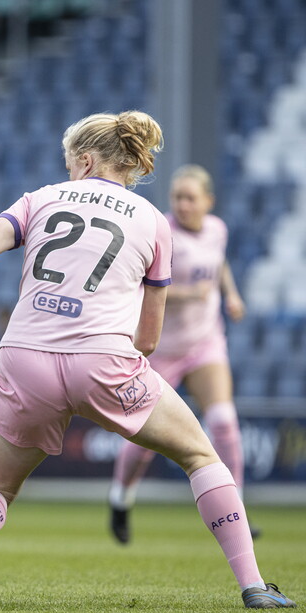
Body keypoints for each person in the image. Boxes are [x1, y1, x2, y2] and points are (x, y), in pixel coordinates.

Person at [0, 112, 295, 609]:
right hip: (104, 359)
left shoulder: (39, 199)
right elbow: (149, 337)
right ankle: (254, 586)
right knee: (200, 456)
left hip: (24, 357)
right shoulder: (153, 221)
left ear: (84, 161)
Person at [108, 164, 253, 545]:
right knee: (141, 440)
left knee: (223, 421)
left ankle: (235, 507)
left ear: (208, 201)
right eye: (177, 198)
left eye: (190, 198)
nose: (183, 205)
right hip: (161, 349)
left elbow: (217, 262)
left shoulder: (218, 229)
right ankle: (121, 498)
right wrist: (189, 294)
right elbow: (140, 287)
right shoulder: (161, 232)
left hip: (205, 342)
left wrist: (231, 294)